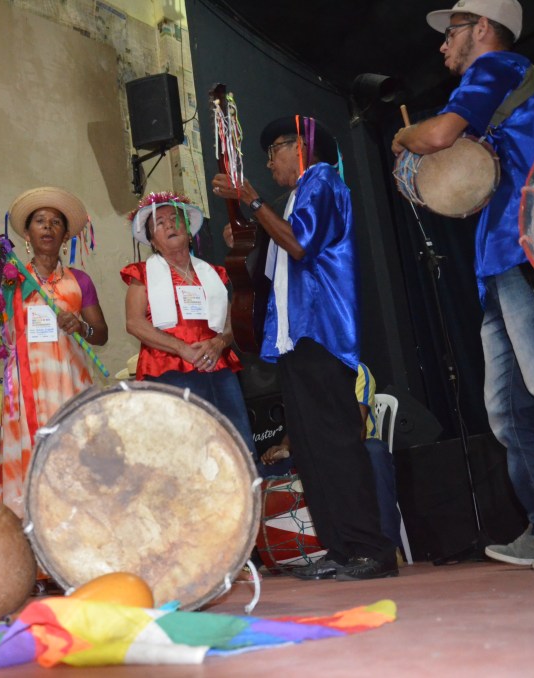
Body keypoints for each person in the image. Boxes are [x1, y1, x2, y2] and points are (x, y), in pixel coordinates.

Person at [393, 0, 534, 571]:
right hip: (498, 262)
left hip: (528, 251)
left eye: (451, 32)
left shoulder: (498, 67)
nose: (443, 46)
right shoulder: (498, 88)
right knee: (508, 411)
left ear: (480, 28)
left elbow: (437, 137)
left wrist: (403, 134)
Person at [212, 115, 397, 581]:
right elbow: (277, 270)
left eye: (273, 150)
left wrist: (251, 200)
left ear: (298, 146)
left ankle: (371, 549)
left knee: (335, 445)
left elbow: (299, 246)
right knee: (311, 450)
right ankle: (340, 546)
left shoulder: (321, 180)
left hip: (321, 332)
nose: (269, 161)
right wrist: (248, 238)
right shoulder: (295, 198)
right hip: (294, 339)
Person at [121, 192, 256, 465]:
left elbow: (232, 320)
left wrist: (219, 342)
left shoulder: (212, 272)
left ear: (189, 229)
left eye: (175, 219)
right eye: (159, 223)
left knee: (236, 441)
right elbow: (134, 322)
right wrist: (182, 348)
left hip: (215, 363)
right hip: (168, 366)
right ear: (153, 242)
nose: (170, 225)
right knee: (186, 450)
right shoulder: (143, 273)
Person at [0, 187, 108, 518]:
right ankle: (31, 550)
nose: (48, 227)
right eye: (40, 221)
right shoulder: (11, 279)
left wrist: (80, 326)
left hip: (70, 387)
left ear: (64, 235)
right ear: (28, 233)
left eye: (56, 222)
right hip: (24, 389)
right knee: (29, 462)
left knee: (74, 462)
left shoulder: (80, 281)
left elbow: (101, 335)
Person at [261, 363, 403, 551]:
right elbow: (298, 423)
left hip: (356, 446)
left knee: (375, 452)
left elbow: (357, 431)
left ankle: (388, 546)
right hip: (318, 448)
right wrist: (285, 447)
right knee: (261, 469)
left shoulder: (357, 370)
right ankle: (270, 553)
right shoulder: (302, 375)